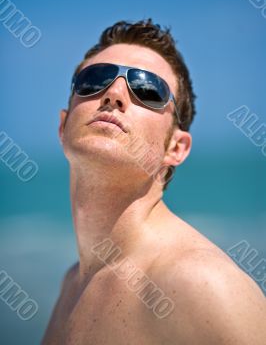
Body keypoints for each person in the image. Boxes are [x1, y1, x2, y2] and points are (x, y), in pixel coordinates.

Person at [42, 19, 266, 344]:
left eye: (147, 89)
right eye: (94, 80)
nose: (114, 94)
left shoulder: (204, 285)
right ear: (63, 127)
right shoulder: (72, 284)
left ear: (176, 148)